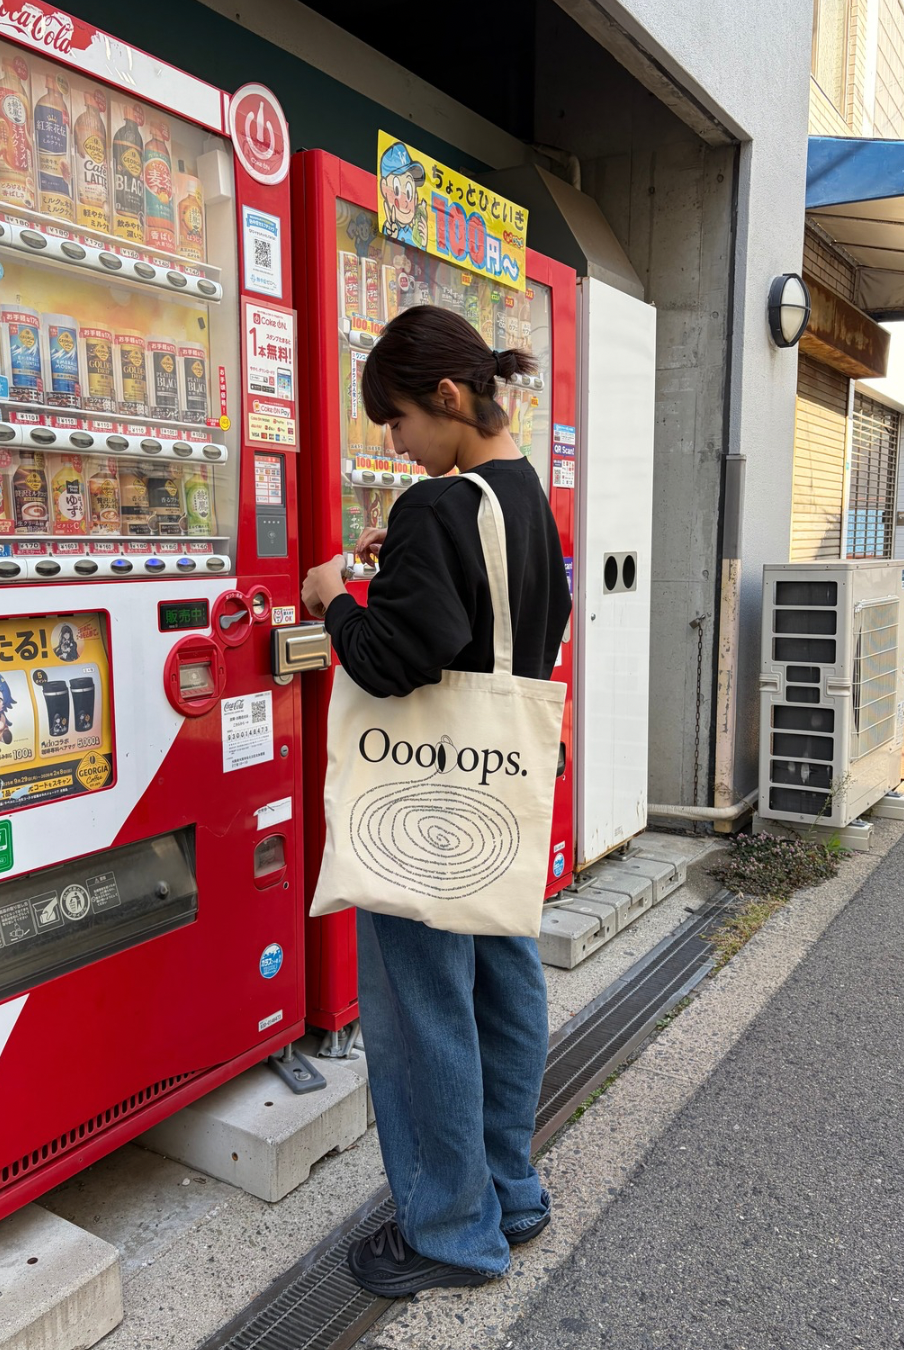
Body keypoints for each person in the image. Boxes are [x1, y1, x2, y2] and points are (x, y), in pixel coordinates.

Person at [301, 305, 571, 1298]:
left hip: (424, 798)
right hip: (503, 794)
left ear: (449, 399)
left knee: (423, 1018)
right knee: (505, 992)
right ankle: (512, 1192)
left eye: (402, 422)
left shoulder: (437, 511)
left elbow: (390, 661)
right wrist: (412, 556)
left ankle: (451, 1232)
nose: (397, 444)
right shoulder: (522, 498)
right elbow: (513, 623)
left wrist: (333, 593)